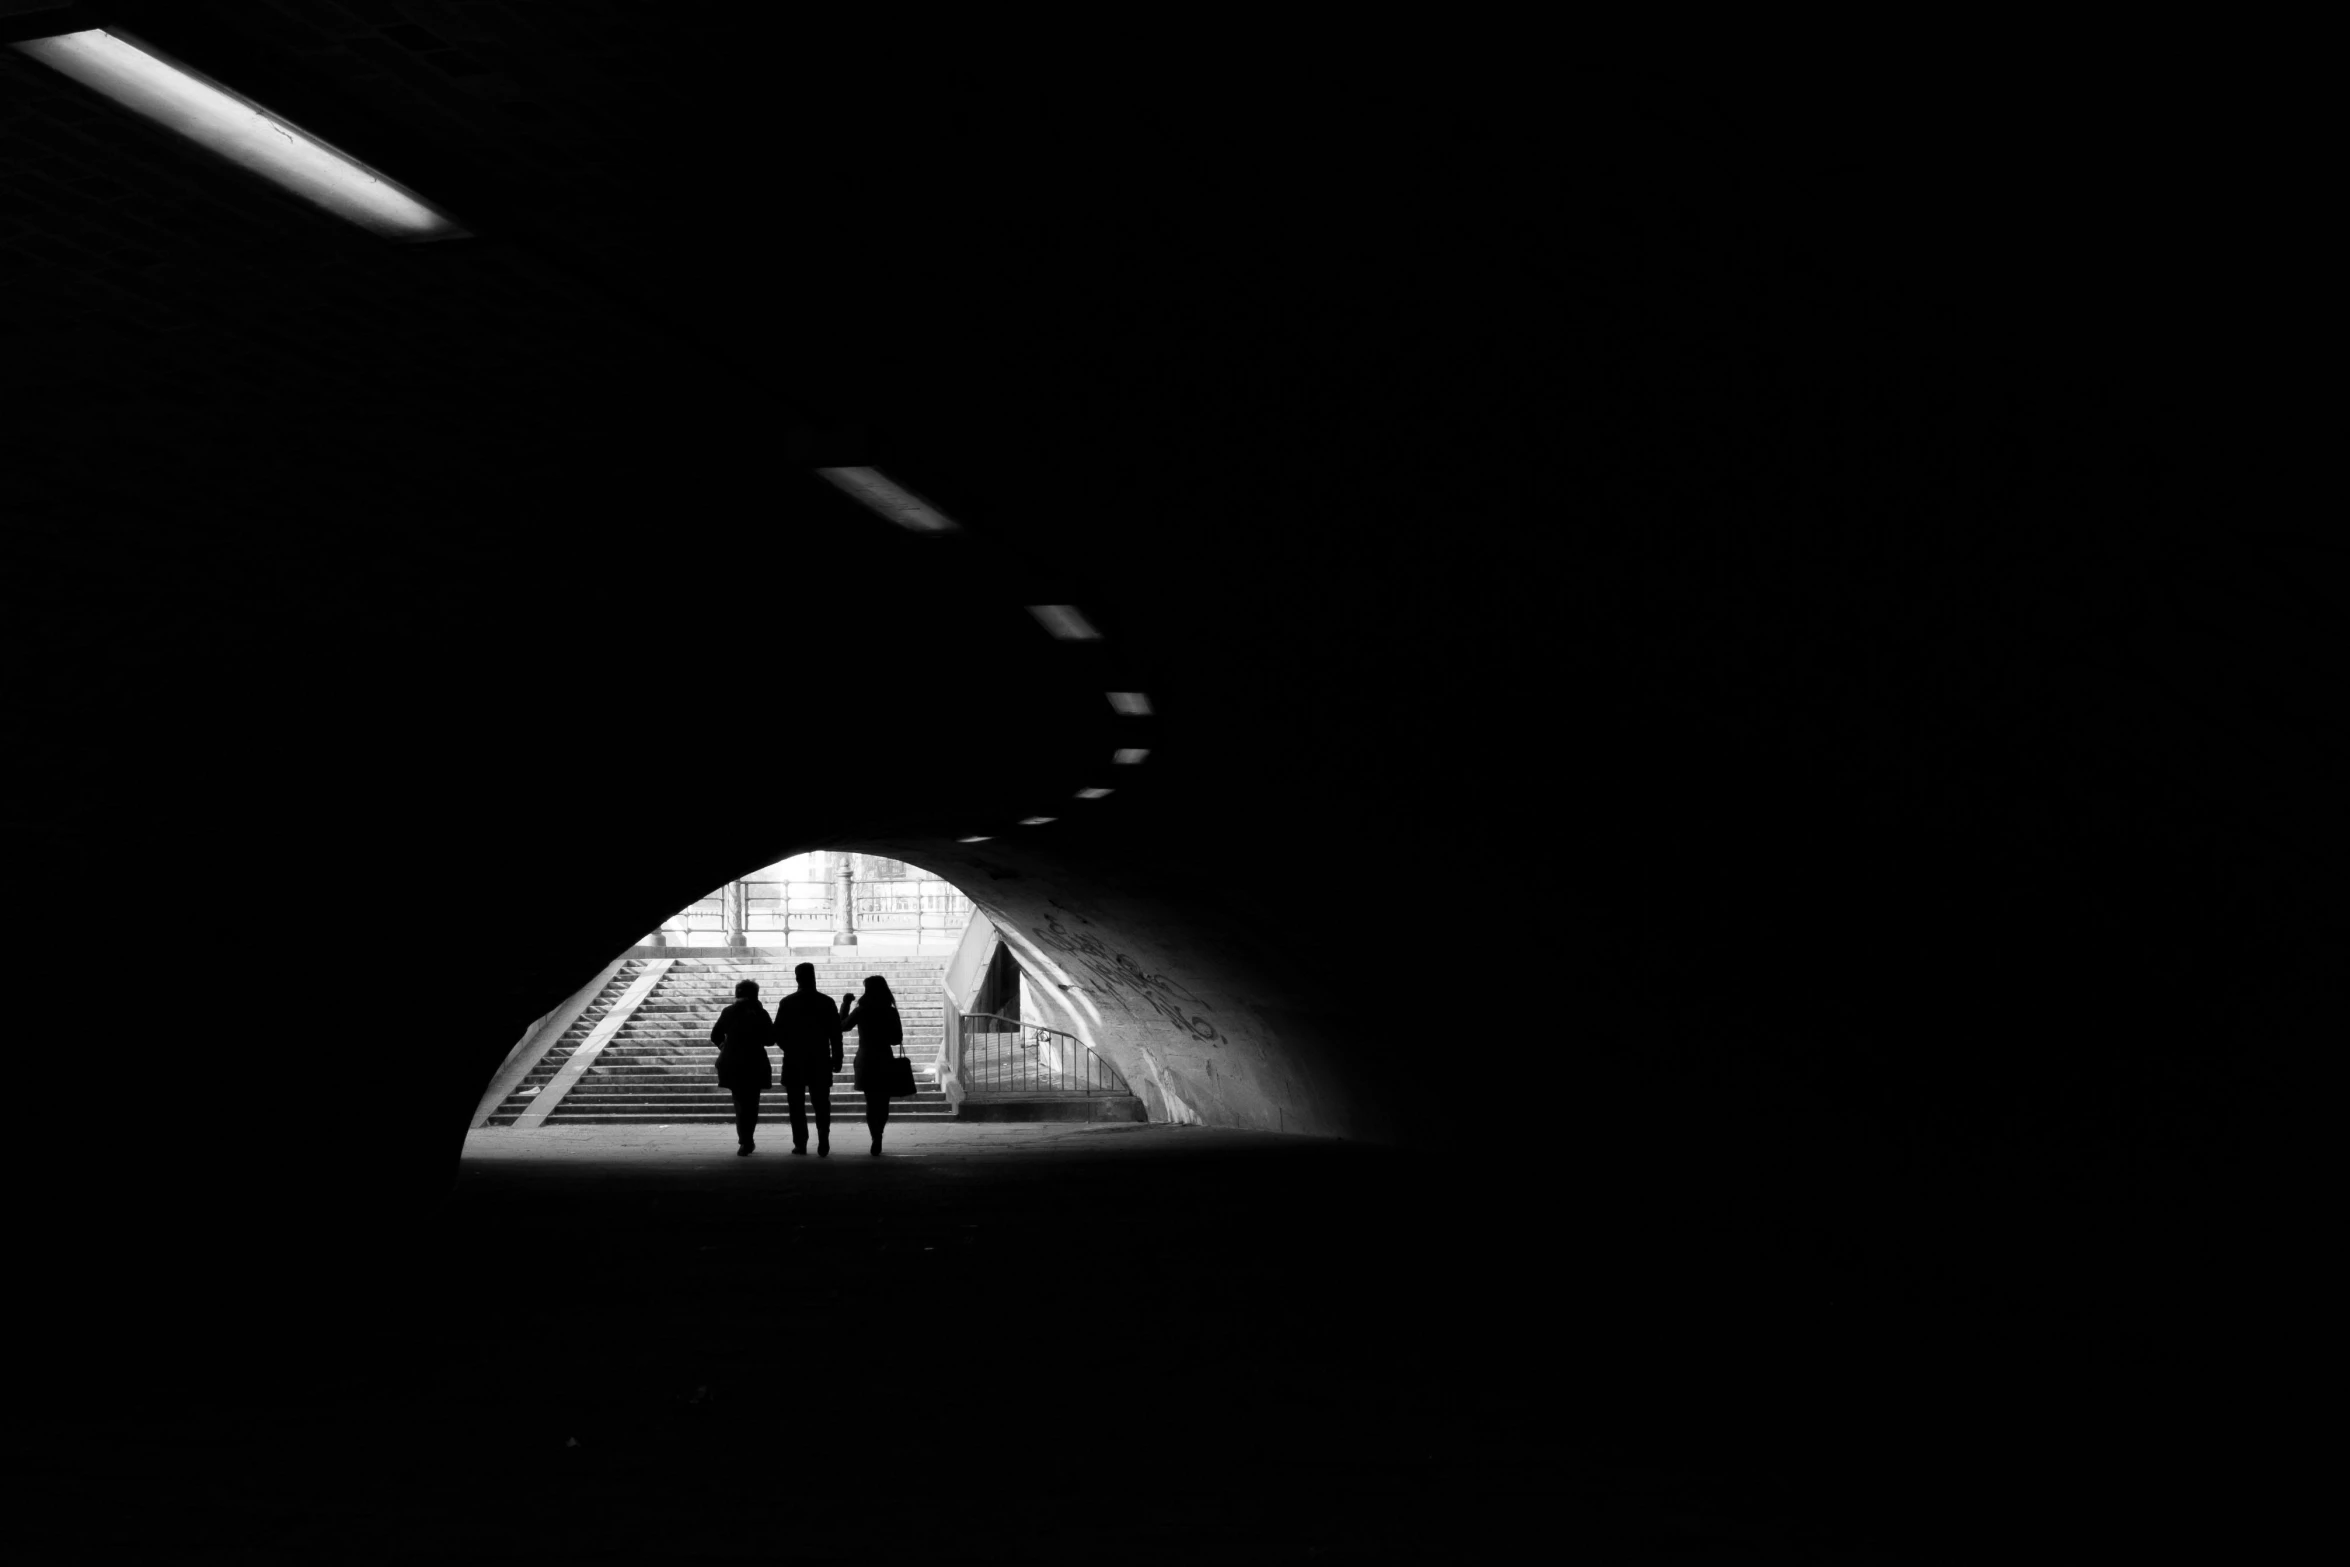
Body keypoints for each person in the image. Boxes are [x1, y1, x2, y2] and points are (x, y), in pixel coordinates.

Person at [772, 961, 846, 1156]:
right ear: (814, 977)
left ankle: (800, 1143)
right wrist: (837, 1057)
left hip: (794, 1060)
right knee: (821, 1102)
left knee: (796, 1104)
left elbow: (777, 1033)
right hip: (820, 1059)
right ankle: (823, 1138)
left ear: (797, 978)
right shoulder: (826, 1002)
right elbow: (835, 1034)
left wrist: (790, 1047)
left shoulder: (787, 1002)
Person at [709, 978, 775, 1156]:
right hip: (754, 1063)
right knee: (752, 1104)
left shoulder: (728, 1012)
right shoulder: (760, 1013)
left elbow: (715, 1034)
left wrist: (725, 1046)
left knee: (739, 1102)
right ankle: (747, 1139)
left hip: (732, 1063)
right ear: (755, 994)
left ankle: (744, 1141)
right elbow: (770, 1040)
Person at [839, 975, 903, 1155]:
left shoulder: (861, 1010)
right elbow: (897, 1039)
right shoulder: (890, 1011)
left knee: (871, 1101)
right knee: (883, 1102)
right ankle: (879, 1134)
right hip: (884, 1058)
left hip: (866, 1059)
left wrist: (845, 1004)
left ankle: (874, 1135)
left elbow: (842, 1026)